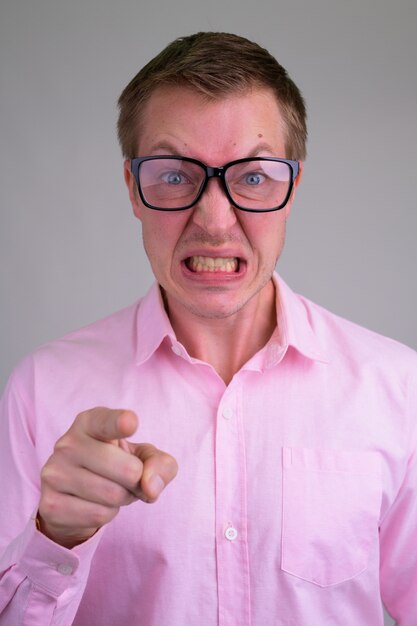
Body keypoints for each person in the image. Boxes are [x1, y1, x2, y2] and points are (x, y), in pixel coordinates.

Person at [0, 31, 416, 626]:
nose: (214, 220)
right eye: (173, 174)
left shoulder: (399, 390)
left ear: (292, 186)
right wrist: (55, 537)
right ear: (133, 190)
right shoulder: (42, 390)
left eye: (252, 176)